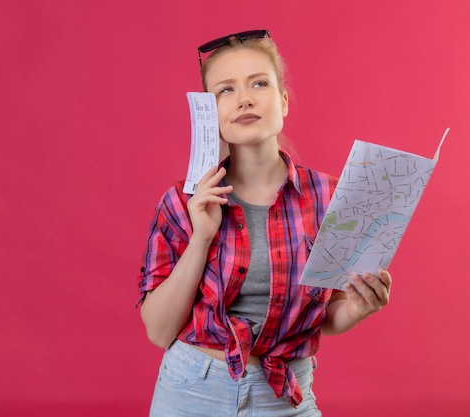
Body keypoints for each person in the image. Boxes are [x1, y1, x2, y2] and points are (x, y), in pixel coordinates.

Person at [137, 29, 392, 416]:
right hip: (192, 393)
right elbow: (158, 331)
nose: (245, 98)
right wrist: (202, 237)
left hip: (286, 395)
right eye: (226, 90)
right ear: (209, 112)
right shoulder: (183, 202)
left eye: (259, 83)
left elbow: (330, 315)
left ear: (283, 101)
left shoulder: (331, 198)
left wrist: (357, 308)